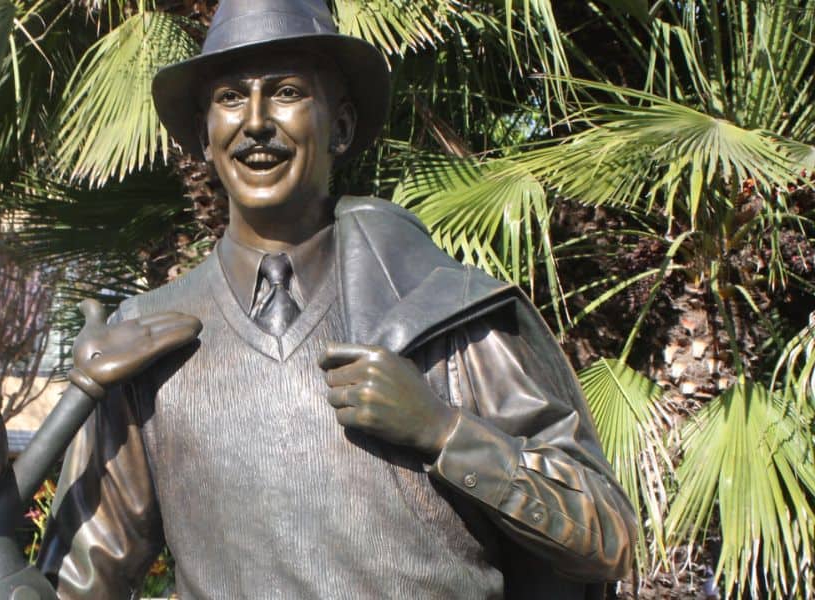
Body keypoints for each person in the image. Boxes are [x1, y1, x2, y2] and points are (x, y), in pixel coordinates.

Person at [38, 1, 637, 598]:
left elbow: (607, 536)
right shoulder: (145, 337)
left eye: (287, 91)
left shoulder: (446, 312)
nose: (255, 122)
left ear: (341, 126)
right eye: (228, 98)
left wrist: (443, 432)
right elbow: (79, 581)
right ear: (204, 135)